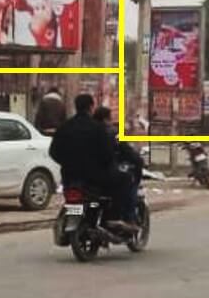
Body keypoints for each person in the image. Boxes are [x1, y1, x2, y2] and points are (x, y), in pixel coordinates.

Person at [49, 94, 135, 231]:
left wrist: (67, 163)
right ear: (91, 107)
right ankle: (114, 217)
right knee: (125, 179)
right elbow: (107, 154)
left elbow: (53, 152)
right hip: (95, 177)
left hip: (69, 177)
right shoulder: (97, 128)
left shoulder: (64, 127)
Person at [93, 105, 143, 226]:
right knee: (127, 181)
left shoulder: (85, 130)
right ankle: (121, 218)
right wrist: (138, 161)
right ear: (106, 119)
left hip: (81, 174)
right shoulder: (111, 133)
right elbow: (127, 151)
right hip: (103, 174)